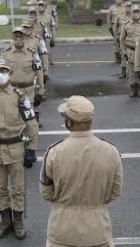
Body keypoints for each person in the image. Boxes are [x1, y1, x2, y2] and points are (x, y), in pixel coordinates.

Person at [40, 95, 123, 247]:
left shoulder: (54, 152)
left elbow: (46, 193)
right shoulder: (111, 151)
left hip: (62, 231)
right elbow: (115, 191)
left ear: (68, 122)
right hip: (98, 231)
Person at [0, 57, 39, 240]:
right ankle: (5, 221)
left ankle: (18, 221)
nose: (1, 74)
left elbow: (31, 124)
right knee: (0, 188)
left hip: (15, 148)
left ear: (10, 73)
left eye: (4, 71)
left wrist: (31, 149)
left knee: (18, 188)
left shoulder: (20, 97)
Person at [0, 27, 45, 118]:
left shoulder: (32, 53)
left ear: (24, 38)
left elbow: (39, 72)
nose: (18, 39)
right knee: (13, 121)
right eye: (16, 36)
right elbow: (0, 74)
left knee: (29, 121)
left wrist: (40, 91)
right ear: (12, 38)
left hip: (28, 92)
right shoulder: (5, 54)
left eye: (20, 36)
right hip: (12, 92)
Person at [120, 4, 140, 97]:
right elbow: (122, 39)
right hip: (130, 51)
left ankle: (139, 88)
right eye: (134, 11)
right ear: (131, 13)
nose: (136, 13)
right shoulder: (126, 25)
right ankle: (132, 88)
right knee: (131, 71)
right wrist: (123, 52)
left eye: (137, 11)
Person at [114, 1, 132, 77]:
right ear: (124, 7)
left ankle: (133, 72)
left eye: (130, 6)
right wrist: (116, 36)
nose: (128, 7)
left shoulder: (133, 15)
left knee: (132, 54)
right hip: (122, 38)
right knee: (123, 55)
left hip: (131, 38)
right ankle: (123, 71)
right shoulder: (119, 16)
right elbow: (115, 26)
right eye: (127, 6)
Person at [37, 0, 56, 68]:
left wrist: (53, 38)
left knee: (47, 49)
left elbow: (53, 28)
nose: (40, 7)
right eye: (39, 5)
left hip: (47, 36)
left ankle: (48, 62)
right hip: (38, 36)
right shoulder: (35, 16)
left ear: (45, 7)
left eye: (42, 5)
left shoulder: (49, 17)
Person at [107, 0, 125, 64]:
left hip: (123, 27)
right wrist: (110, 28)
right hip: (115, 27)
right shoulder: (112, 8)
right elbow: (109, 18)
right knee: (116, 43)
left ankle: (124, 57)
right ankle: (117, 58)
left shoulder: (124, 7)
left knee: (123, 42)